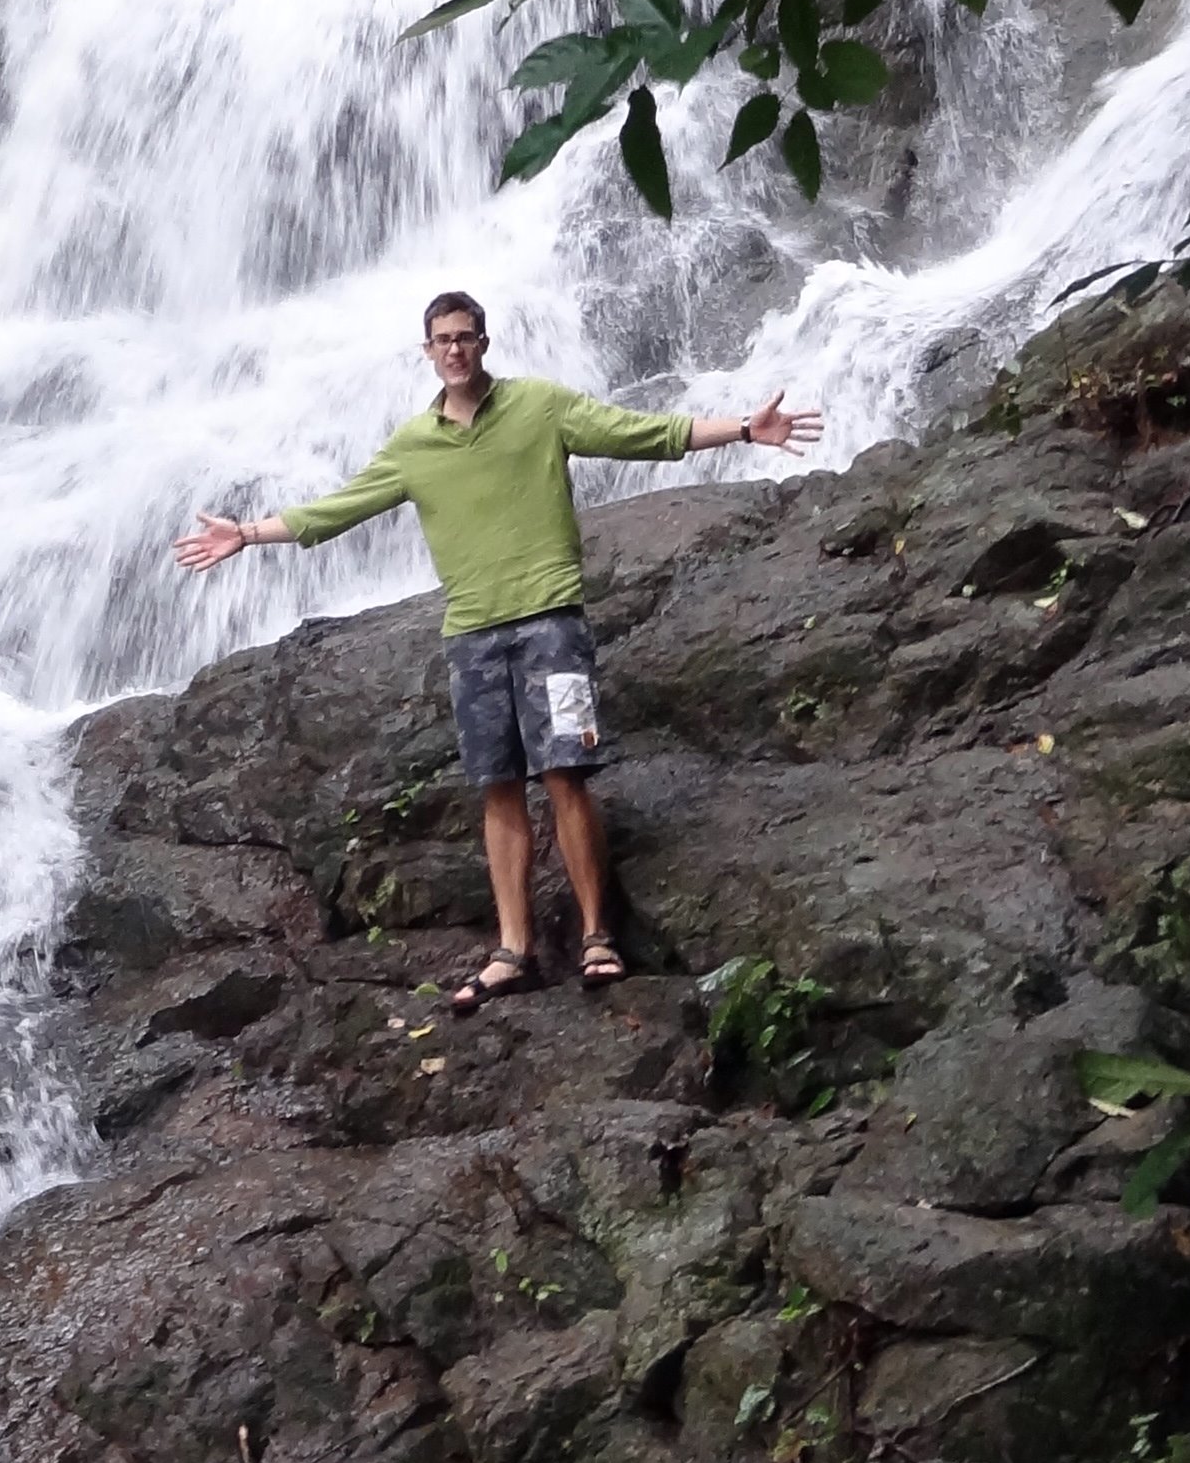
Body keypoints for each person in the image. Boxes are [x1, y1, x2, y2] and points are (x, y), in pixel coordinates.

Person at [173, 294, 820, 1009]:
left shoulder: (539, 406)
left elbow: (638, 433)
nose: (454, 350)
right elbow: (336, 510)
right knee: (498, 787)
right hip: (473, 636)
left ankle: (597, 936)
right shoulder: (412, 447)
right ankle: (513, 950)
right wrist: (247, 534)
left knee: (566, 774)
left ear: (484, 343)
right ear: (427, 352)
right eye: (441, 340)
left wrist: (742, 430)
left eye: (465, 337)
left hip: (552, 624)